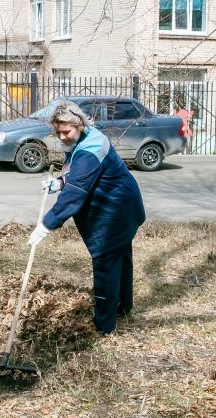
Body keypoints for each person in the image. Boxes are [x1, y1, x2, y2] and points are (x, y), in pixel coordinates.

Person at [27, 101, 146, 335]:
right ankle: (123, 309)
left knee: (106, 263)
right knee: (120, 258)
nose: (62, 137)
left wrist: (46, 225)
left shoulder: (90, 148)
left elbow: (75, 195)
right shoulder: (84, 138)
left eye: (66, 131)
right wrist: (60, 181)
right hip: (122, 203)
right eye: (58, 132)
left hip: (116, 209)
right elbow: (78, 174)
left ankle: (104, 326)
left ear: (79, 124)